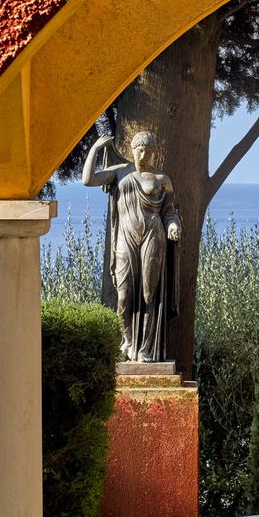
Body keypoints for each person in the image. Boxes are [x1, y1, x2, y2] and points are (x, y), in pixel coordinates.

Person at [82, 130, 181, 362]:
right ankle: (126, 342)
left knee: (149, 293)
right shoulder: (120, 172)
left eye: (148, 150)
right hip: (125, 237)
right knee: (123, 295)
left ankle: (145, 348)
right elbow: (88, 180)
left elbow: (169, 211)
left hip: (152, 236)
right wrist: (96, 148)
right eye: (139, 149)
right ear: (132, 149)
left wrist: (173, 226)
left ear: (153, 152)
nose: (143, 154)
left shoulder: (161, 179)